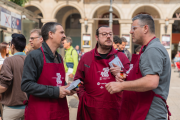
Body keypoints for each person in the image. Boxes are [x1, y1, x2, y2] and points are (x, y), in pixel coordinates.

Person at [106, 14, 171, 120]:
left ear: (145, 28)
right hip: (140, 109)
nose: (131, 32)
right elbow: (140, 74)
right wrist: (123, 74)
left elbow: (151, 81)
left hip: (149, 112)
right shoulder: (146, 49)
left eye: (134, 28)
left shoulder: (152, 49)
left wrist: (121, 86)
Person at [21, 22, 77, 120]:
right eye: (61, 32)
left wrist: (66, 87)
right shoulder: (34, 56)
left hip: (59, 111)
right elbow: (26, 85)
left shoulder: (59, 57)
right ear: (51, 34)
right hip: (40, 113)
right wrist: (56, 91)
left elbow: (56, 81)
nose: (64, 36)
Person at [75, 25, 130, 120]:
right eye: (104, 34)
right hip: (91, 110)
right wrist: (82, 96)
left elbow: (130, 81)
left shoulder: (121, 57)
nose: (108, 36)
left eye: (110, 34)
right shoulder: (86, 58)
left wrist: (120, 72)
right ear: (97, 37)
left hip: (115, 109)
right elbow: (78, 81)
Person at [0, 33, 27, 120]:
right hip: (28, 108)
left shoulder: (9, 61)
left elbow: (4, 86)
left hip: (11, 109)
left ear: (12, 46)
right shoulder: (29, 59)